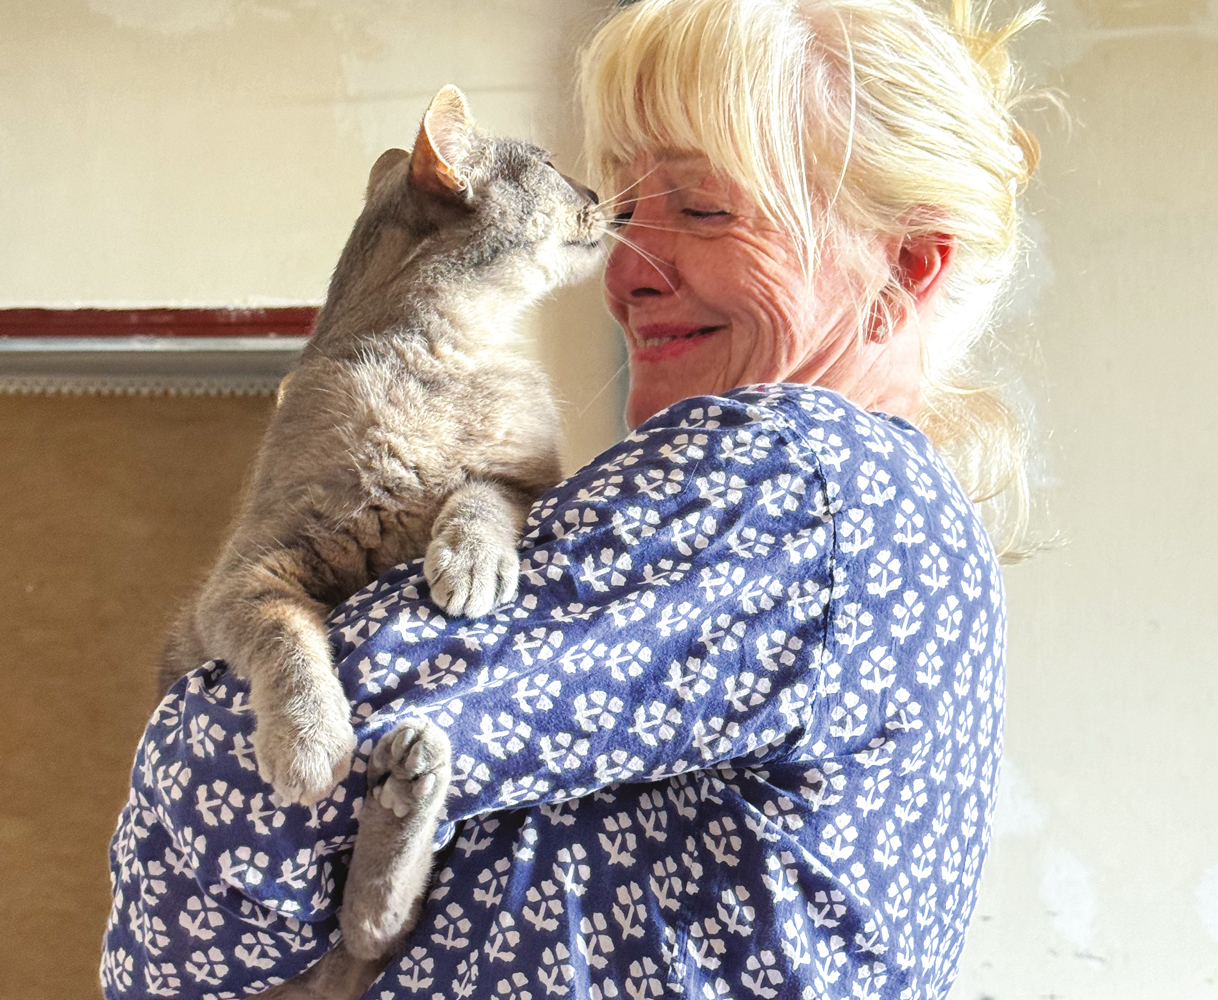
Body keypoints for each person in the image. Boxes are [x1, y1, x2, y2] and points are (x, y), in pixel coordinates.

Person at [101, 0, 1042, 997]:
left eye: (706, 208)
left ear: (906, 264)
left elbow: (222, 778)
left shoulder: (790, 471)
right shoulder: (904, 520)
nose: (623, 269)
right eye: (631, 212)